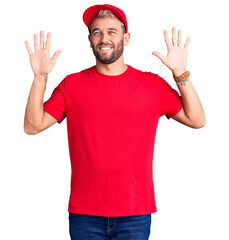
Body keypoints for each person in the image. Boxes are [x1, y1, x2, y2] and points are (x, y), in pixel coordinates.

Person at [24, 4, 206, 240]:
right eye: (97, 32)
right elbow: (32, 125)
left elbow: (197, 119)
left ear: (126, 38)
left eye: (112, 31)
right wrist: (40, 77)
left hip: (135, 213)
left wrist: (180, 72)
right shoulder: (72, 85)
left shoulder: (152, 85)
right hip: (85, 213)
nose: (104, 38)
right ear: (89, 40)